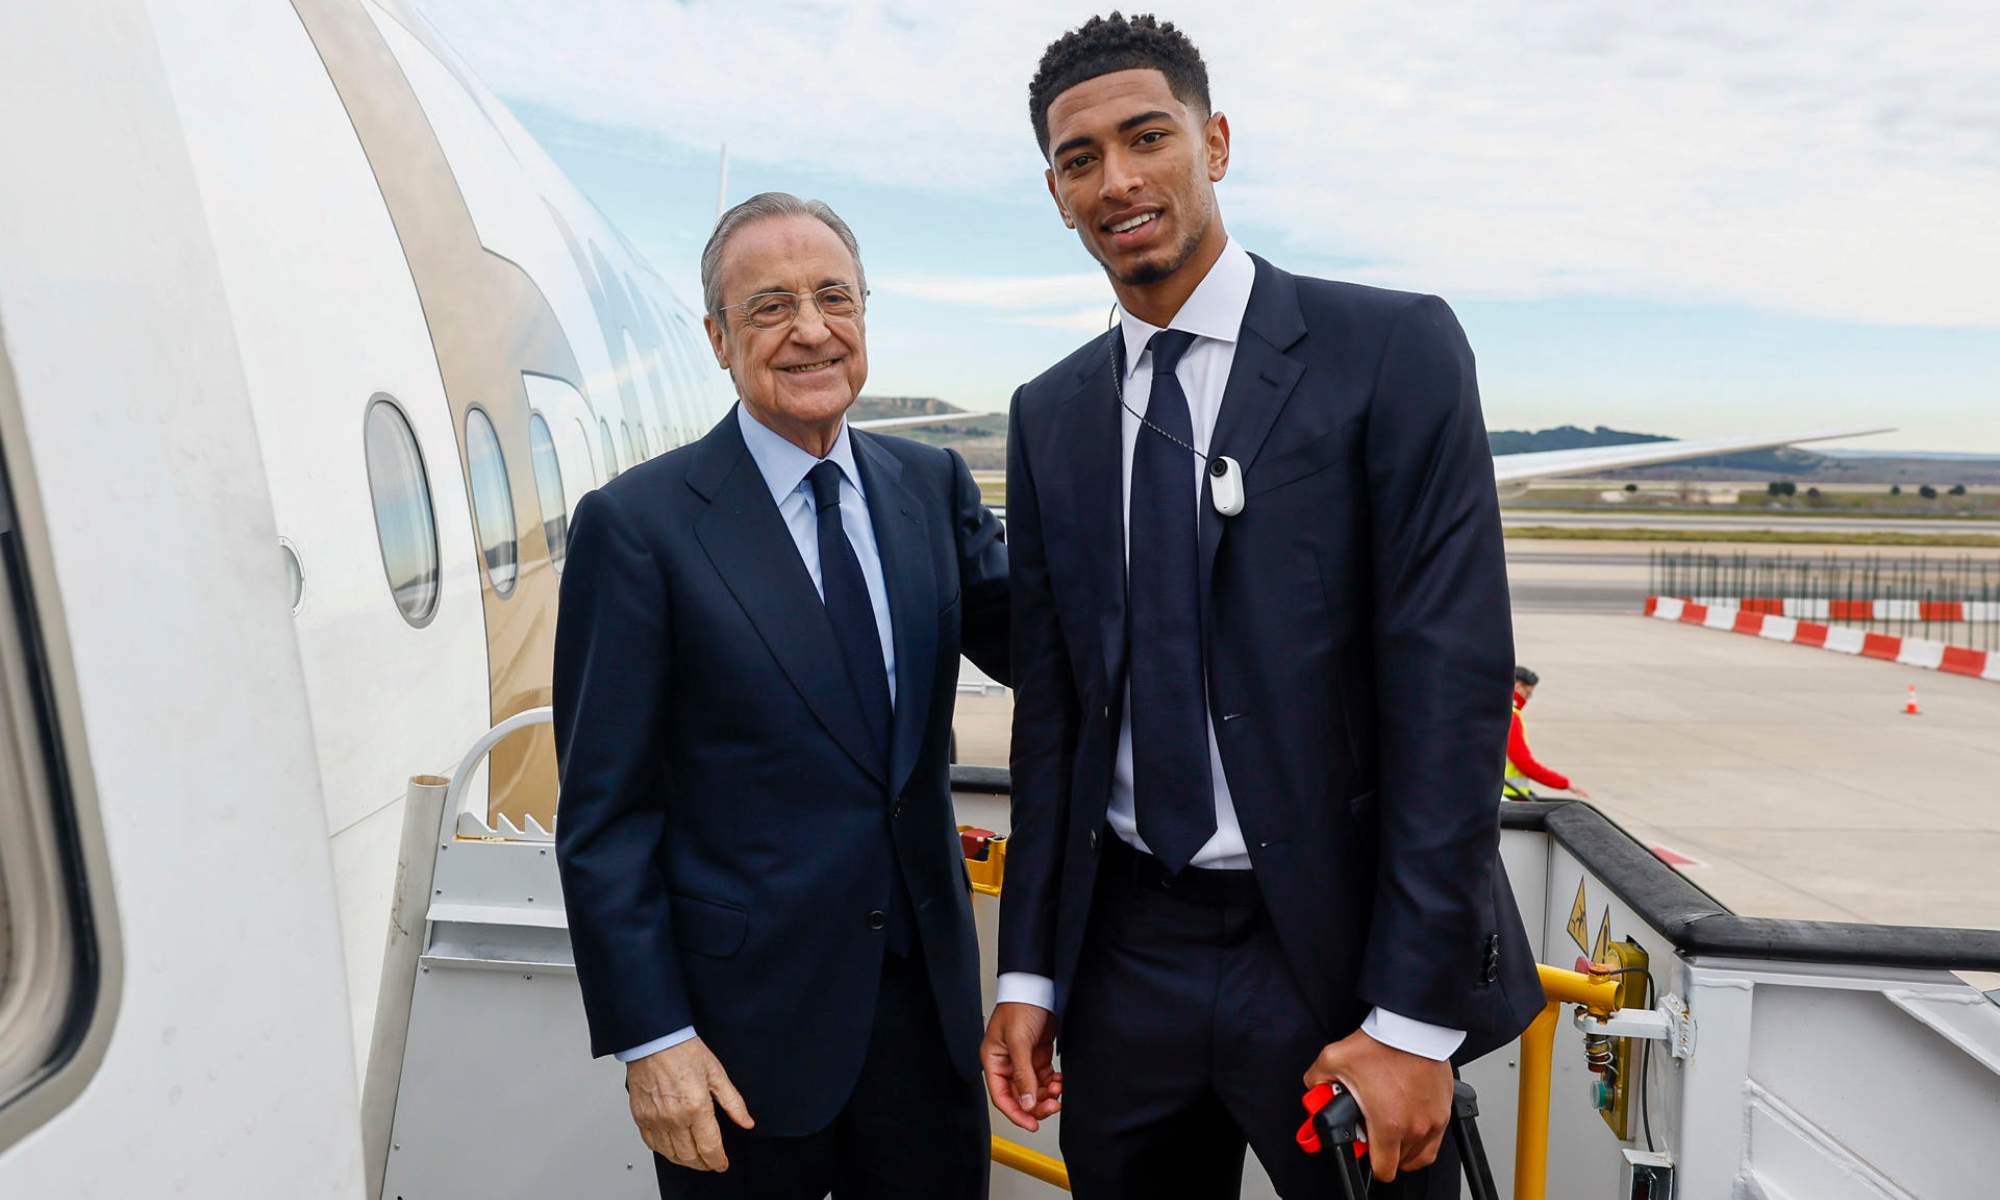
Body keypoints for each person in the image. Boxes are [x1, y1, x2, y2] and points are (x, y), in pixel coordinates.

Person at [980, 14, 1543, 1197]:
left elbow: (1449, 705)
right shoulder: (1050, 414)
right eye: (1080, 160)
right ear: (1055, 191)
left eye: (1147, 138)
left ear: (1215, 142)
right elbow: (1055, 723)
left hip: (1336, 960)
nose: (1117, 180)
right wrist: (1028, 976)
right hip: (1127, 950)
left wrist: (1411, 1022)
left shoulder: (1389, 351)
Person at [553, 192, 1008, 1200]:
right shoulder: (638, 528)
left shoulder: (928, 486)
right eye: (768, 308)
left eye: (833, 299)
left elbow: (1052, 646)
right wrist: (651, 1038)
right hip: (736, 1042)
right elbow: (602, 815)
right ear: (718, 338)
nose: (810, 330)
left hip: (925, 1030)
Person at [1505, 666, 1590, 800]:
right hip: (1510, 795)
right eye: (1528, 693)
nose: (1527, 699)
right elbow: (1524, 763)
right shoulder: (1511, 717)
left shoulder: (1498, 713)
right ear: (1518, 686)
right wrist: (1564, 783)